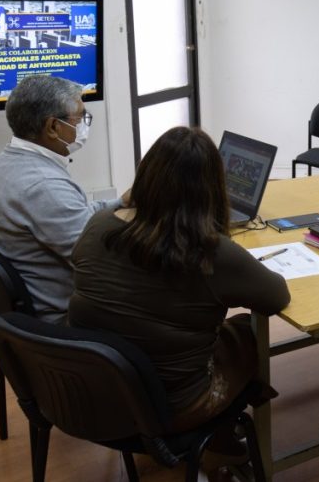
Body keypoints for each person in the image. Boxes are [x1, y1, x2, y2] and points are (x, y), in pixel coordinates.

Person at [68, 126, 290, 439]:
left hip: (97, 389)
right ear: (212, 188)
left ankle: (224, 440)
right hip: (170, 408)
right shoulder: (208, 250)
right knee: (244, 330)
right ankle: (222, 437)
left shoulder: (99, 224)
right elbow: (276, 297)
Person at [0, 74, 124, 324]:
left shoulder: (5, 163)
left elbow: (77, 216)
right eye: (79, 118)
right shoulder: (43, 186)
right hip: (65, 319)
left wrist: (123, 202)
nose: (83, 125)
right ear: (52, 127)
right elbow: (99, 261)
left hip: (34, 308)